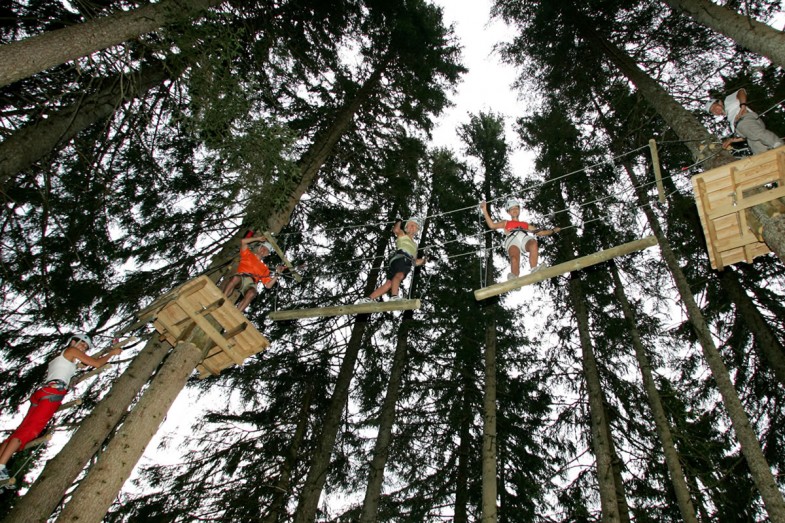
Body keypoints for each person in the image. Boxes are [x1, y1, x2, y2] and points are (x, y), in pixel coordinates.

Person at [0, 333, 121, 483]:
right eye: (82, 344)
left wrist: (105, 351)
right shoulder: (71, 351)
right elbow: (96, 364)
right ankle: (1, 466)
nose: (84, 348)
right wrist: (112, 353)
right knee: (29, 431)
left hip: (43, 393)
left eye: (86, 347)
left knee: (22, 428)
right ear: (73, 342)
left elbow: (82, 364)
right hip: (52, 394)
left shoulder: (64, 356)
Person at [480, 198, 560, 280]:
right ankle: (515, 278)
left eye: (516, 208)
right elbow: (492, 226)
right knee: (514, 259)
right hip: (512, 240)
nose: (514, 210)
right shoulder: (506, 223)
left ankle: (534, 269)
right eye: (512, 209)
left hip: (524, 239)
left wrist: (553, 231)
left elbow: (541, 233)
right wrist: (484, 210)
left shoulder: (525, 224)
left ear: (519, 210)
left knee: (533, 243)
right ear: (508, 212)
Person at [357, 217, 426, 303]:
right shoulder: (403, 234)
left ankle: (368, 299)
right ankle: (394, 297)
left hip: (402, 261)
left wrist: (426, 260)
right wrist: (398, 221)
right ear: (406, 228)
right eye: (410, 225)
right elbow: (396, 230)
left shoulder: (415, 246)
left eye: (415, 226)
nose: (412, 227)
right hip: (402, 257)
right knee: (399, 275)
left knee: (389, 283)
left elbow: (415, 262)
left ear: (417, 230)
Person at [706, 89, 783, 155]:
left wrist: (743, 105)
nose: (715, 110)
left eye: (714, 107)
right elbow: (744, 136)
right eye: (713, 111)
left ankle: (779, 146)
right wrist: (732, 140)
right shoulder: (730, 118)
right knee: (759, 150)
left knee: (756, 133)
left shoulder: (728, 100)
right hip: (746, 131)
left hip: (745, 120)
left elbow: (741, 91)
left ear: (719, 102)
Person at [222, 235, 285, 312]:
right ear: (259, 248)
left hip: (251, 283)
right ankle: (222, 298)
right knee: (236, 278)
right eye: (263, 248)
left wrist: (277, 274)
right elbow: (243, 241)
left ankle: (237, 312)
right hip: (241, 277)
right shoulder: (248, 254)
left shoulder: (264, 268)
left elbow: (268, 285)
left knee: (252, 293)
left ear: (267, 254)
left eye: (266, 250)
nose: (263, 250)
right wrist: (258, 238)